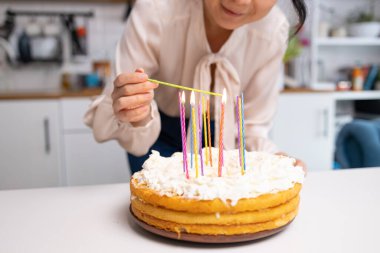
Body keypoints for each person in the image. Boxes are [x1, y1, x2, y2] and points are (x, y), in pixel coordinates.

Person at [84, 0, 307, 173]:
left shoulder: (273, 30)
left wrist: (272, 159)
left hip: (225, 139)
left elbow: (252, 126)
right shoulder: (157, 8)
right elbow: (118, 98)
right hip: (157, 136)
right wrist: (134, 110)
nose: (240, 1)